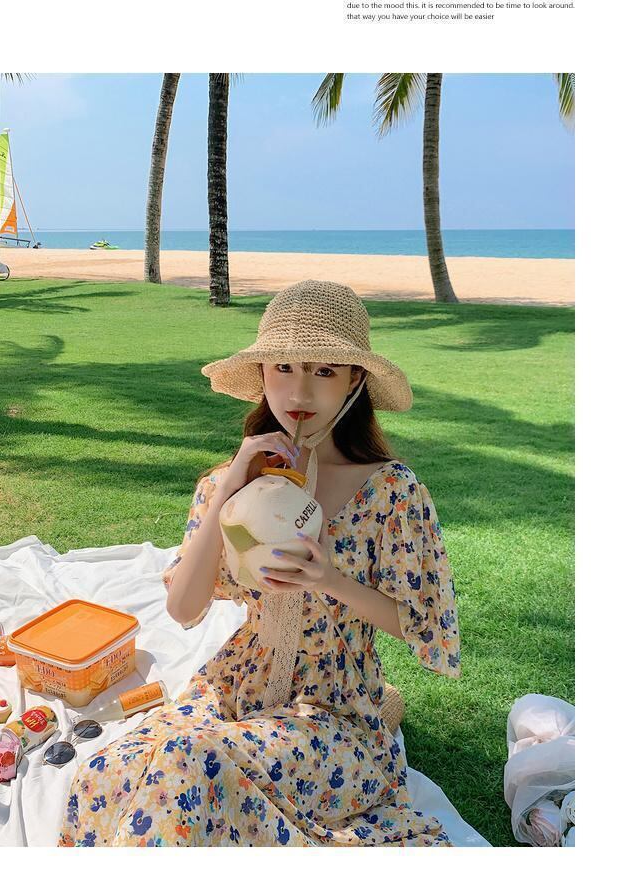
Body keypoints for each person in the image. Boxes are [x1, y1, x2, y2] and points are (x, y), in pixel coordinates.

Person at [59, 280, 461, 847]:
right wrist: (229, 485)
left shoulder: (391, 491)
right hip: (235, 685)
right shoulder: (229, 485)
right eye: (283, 368)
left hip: (335, 709)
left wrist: (329, 579)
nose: (300, 390)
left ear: (354, 380)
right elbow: (183, 609)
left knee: (187, 765)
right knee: (107, 772)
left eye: (324, 371)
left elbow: (420, 623)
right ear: (262, 374)